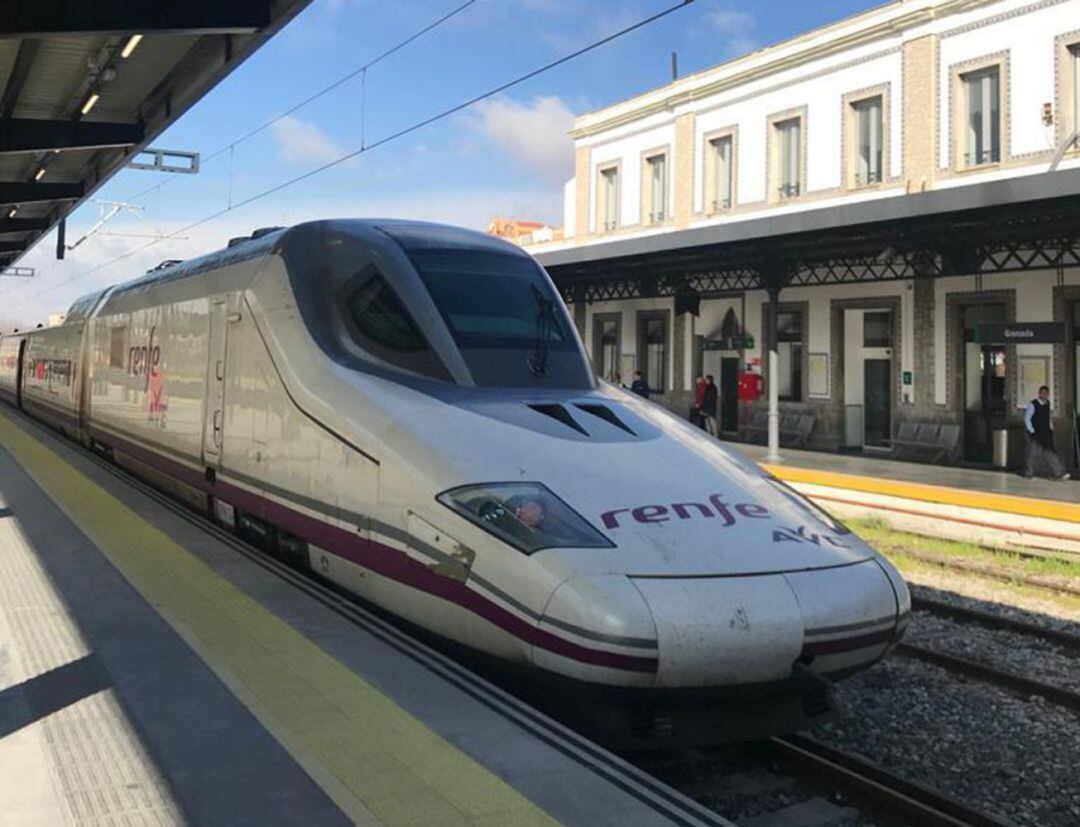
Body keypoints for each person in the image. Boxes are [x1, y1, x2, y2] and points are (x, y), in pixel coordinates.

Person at [1022, 385, 1070, 480]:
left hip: (1046, 433)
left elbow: (1048, 418)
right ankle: (1029, 472)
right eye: (1042, 393)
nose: (1044, 395)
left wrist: (1051, 428)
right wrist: (1031, 430)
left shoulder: (1048, 404)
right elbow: (1027, 418)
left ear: (1048, 395)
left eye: (1046, 393)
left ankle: (1058, 472)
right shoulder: (1033, 404)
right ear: (1039, 393)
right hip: (1036, 433)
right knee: (1032, 453)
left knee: (1050, 453)